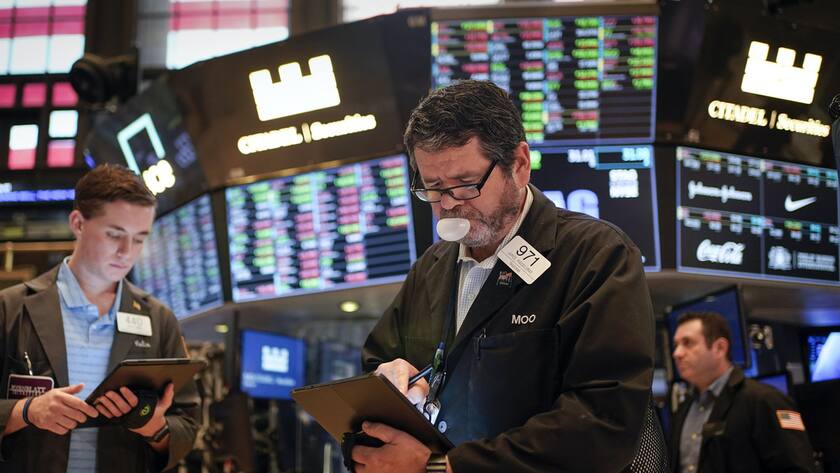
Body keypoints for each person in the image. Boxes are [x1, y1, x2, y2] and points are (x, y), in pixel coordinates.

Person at [354, 80, 660, 472]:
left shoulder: (595, 256)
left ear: (518, 165)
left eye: (465, 185)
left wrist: (440, 467)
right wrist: (387, 379)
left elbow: (601, 422)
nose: (448, 206)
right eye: (433, 188)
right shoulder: (432, 267)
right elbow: (376, 364)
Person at [0, 164, 199, 472]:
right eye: (114, 235)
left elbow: (187, 425)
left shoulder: (159, 320)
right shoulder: (11, 309)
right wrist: (27, 411)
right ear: (78, 223)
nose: (126, 252)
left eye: (139, 239)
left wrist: (154, 429)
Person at [669, 311, 817, 473]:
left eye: (688, 343)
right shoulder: (683, 410)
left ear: (720, 348)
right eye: (676, 345)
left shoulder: (764, 400)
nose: (677, 353)